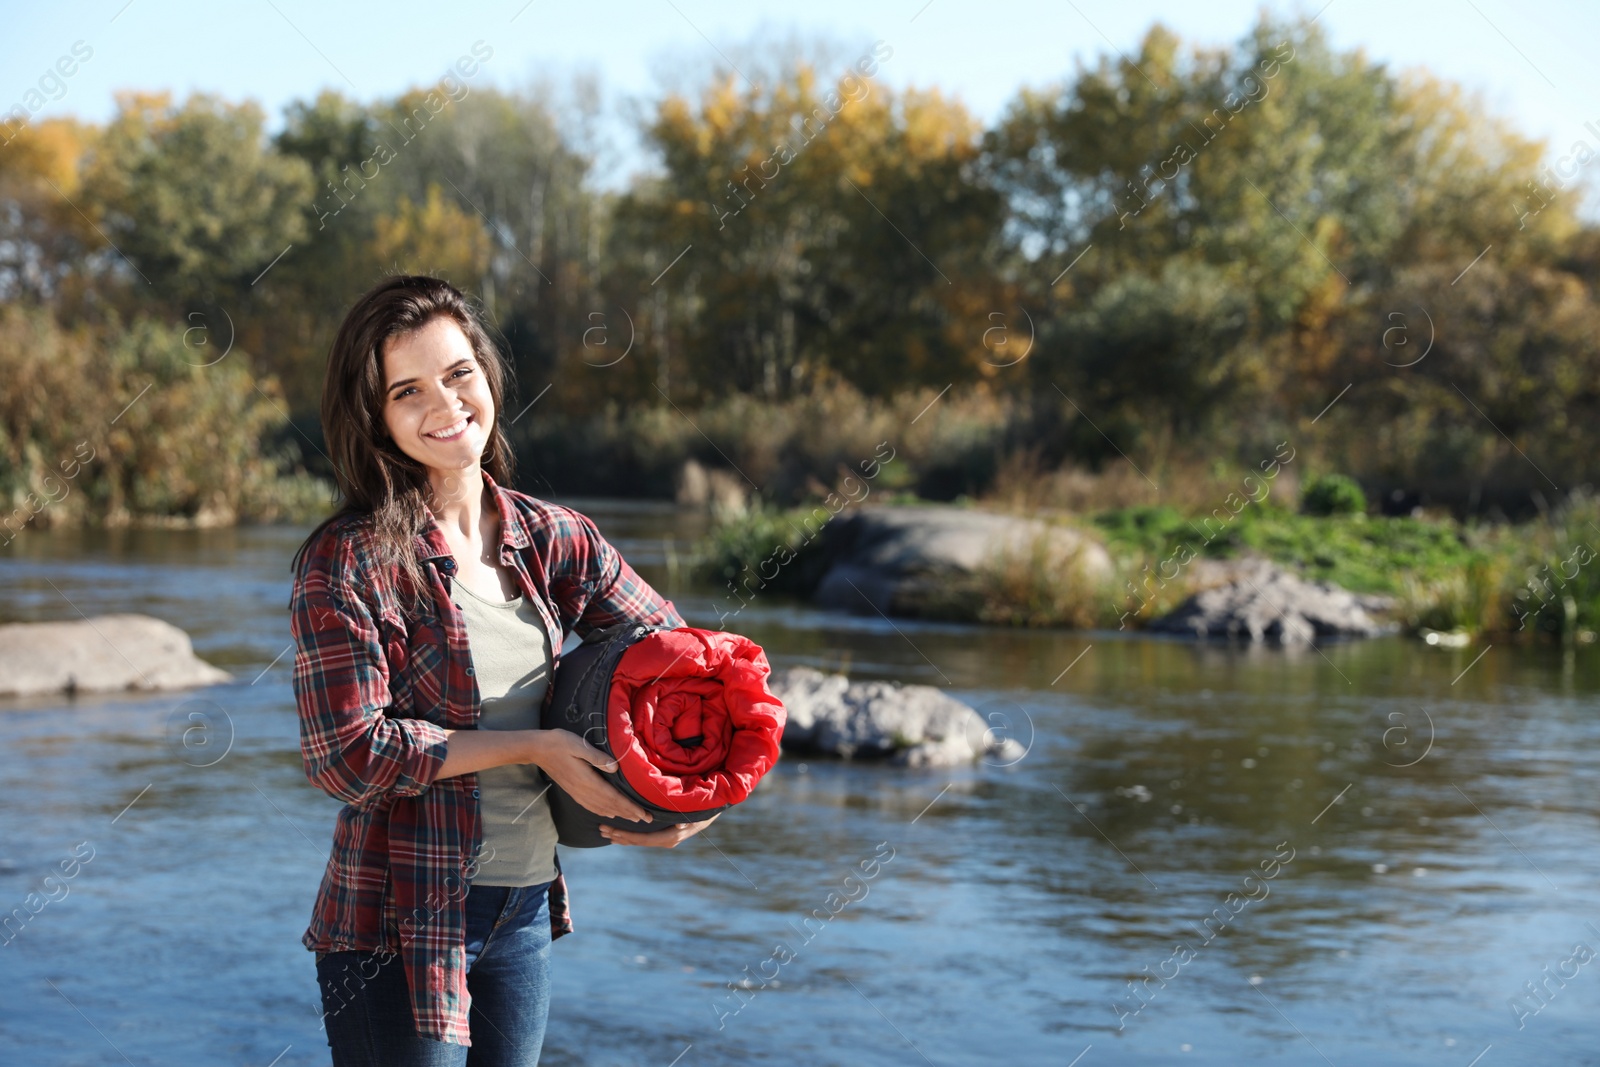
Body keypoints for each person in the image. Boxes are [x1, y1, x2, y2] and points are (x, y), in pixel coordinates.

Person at [289, 274, 715, 1066]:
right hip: (396, 922)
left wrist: (688, 798)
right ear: (376, 418)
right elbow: (345, 756)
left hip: (522, 916)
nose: (445, 404)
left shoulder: (553, 537)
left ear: (487, 374)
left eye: (458, 374)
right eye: (407, 390)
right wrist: (535, 746)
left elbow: (686, 663)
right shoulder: (348, 560)